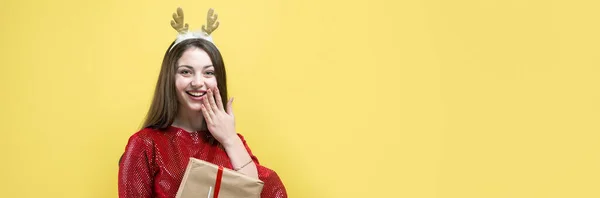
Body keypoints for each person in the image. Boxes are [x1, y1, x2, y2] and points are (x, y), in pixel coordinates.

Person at [118, 7, 287, 198]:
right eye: (186, 72)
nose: (198, 82)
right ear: (170, 79)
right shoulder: (145, 144)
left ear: (218, 80)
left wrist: (230, 139)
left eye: (208, 72)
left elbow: (262, 193)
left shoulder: (232, 141)